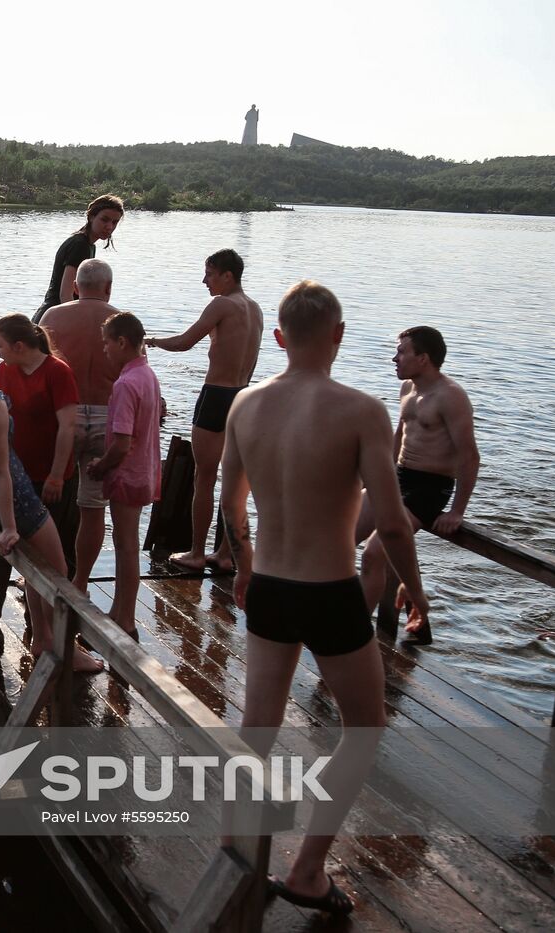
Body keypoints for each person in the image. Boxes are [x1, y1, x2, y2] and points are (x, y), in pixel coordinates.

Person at [219, 280, 429, 916]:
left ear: (279, 337)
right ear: (338, 334)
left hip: (272, 586)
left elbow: (231, 502)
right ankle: (308, 872)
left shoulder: (246, 406)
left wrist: (244, 565)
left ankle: (236, 850)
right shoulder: (363, 409)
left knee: (256, 726)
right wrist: (416, 596)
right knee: (363, 730)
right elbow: (392, 524)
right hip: (333, 591)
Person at [0, 334, 101, 672]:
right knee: (59, 574)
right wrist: (11, 525)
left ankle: (42, 638)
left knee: (36, 572)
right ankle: (66, 651)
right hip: (18, 502)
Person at [354, 326, 478, 641]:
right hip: (397, 477)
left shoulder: (451, 396)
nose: (394, 358)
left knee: (374, 554)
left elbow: (469, 456)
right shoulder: (408, 388)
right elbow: (400, 435)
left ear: (423, 358)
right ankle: (417, 618)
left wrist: (457, 511)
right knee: (339, 535)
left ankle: (351, 637)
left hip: (427, 488)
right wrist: (377, 477)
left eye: (402, 352)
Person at [144, 248, 263, 573]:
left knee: (205, 478)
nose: (204, 280)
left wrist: (150, 341)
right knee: (235, 480)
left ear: (227, 275)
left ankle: (197, 553)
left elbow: (185, 342)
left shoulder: (222, 304)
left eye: (209, 274)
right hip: (244, 397)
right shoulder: (254, 308)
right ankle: (226, 554)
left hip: (216, 396)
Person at [0, 314, 80, 651]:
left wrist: (56, 474)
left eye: (0, 346)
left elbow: (68, 426)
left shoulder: (57, 371)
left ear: (19, 346)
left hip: (51, 477)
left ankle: (49, 631)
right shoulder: (6, 371)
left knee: (56, 556)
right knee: (4, 545)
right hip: (16, 474)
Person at [40, 258, 118, 593]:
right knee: (93, 508)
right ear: (108, 288)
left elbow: (39, 369)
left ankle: (43, 573)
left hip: (63, 419)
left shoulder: (52, 317)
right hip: (106, 418)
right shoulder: (122, 322)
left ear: (75, 286)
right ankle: (81, 582)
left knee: (50, 501)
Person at [86, 312, 160, 638]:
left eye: (106, 343)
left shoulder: (126, 384)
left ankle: (126, 617)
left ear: (121, 342)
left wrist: (100, 465)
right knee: (124, 542)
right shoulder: (148, 375)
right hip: (146, 470)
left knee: (127, 545)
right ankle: (119, 608)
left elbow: (121, 443)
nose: (104, 350)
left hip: (127, 475)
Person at [32, 194, 125, 324]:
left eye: (114, 222)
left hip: (53, 315)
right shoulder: (80, 245)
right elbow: (65, 294)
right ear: (92, 216)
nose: (109, 226)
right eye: (105, 220)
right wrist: (78, 324)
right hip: (55, 318)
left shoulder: (87, 245)